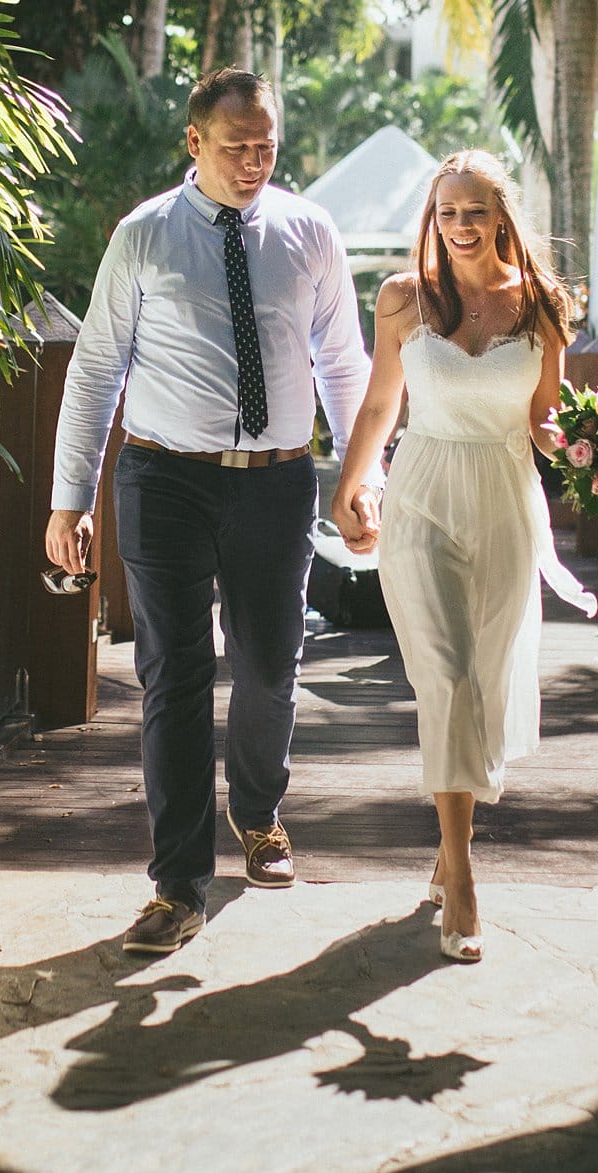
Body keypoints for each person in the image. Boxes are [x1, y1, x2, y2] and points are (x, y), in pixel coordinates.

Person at [46, 69, 372, 958]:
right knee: (175, 677)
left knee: (271, 666)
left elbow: (344, 363)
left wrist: (360, 476)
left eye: (267, 145)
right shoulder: (145, 235)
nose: (255, 162)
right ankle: (177, 884)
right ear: (195, 143)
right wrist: (67, 499)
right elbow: (95, 370)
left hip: (275, 481)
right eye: (237, 147)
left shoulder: (309, 231)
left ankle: (259, 811)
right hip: (165, 481)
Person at [330, 150, 593, 962]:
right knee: (443, 675)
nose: (461, 226)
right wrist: (352, 485)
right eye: (447, 213)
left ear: (503, 217)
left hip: (506, 501)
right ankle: (468, 875)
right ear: (431, 219)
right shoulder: (405, 300)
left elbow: (547, 418)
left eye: (475, 211)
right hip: (423, 492)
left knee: (482, 679)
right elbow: (381, 401)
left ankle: (445, 853)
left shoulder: (543, 306)